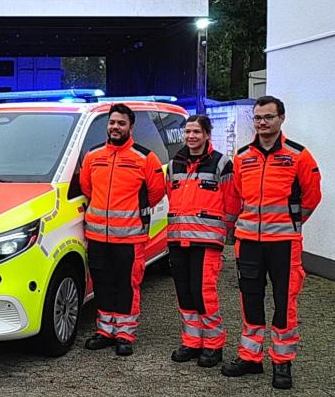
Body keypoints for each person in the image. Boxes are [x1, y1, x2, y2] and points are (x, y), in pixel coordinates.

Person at [222, 96, 321, 389]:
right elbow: (237, 196)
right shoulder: (242, 157)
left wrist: (291, 224)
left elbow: (311, 197)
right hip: (249, 241)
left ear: (281, 119)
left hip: (284, 244)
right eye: (258, 117)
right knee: (250, 299)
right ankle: (251, 358)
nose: (262, 122)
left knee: (283, 302)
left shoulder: (299, 156)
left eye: (268, 117)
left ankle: (282, 363)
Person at [79, 103, 166, 356]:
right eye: (112, 122)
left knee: (127, 284)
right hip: (97, 236)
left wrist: (131, 212)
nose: (115, 127)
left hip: (130, 236)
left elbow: (155, 193)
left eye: (121, 123)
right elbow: (87, 188)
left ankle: (125, 334)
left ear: (131, 126)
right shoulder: (93, 156)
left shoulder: (145, 157)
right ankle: (105, 331)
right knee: (102, 283)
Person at [165, 115, 240, 368]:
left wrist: (226, 234)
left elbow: (232, 202)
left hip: (207, 241)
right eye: (187, 132)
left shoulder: (222, 163)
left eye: (196, 131)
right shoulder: (174, 163)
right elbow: (170, 195)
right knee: (184, 293)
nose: (191, 136)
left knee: (204, 293)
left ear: (207, 134)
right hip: (177, 238)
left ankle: (214, 343)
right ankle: (192, 341)